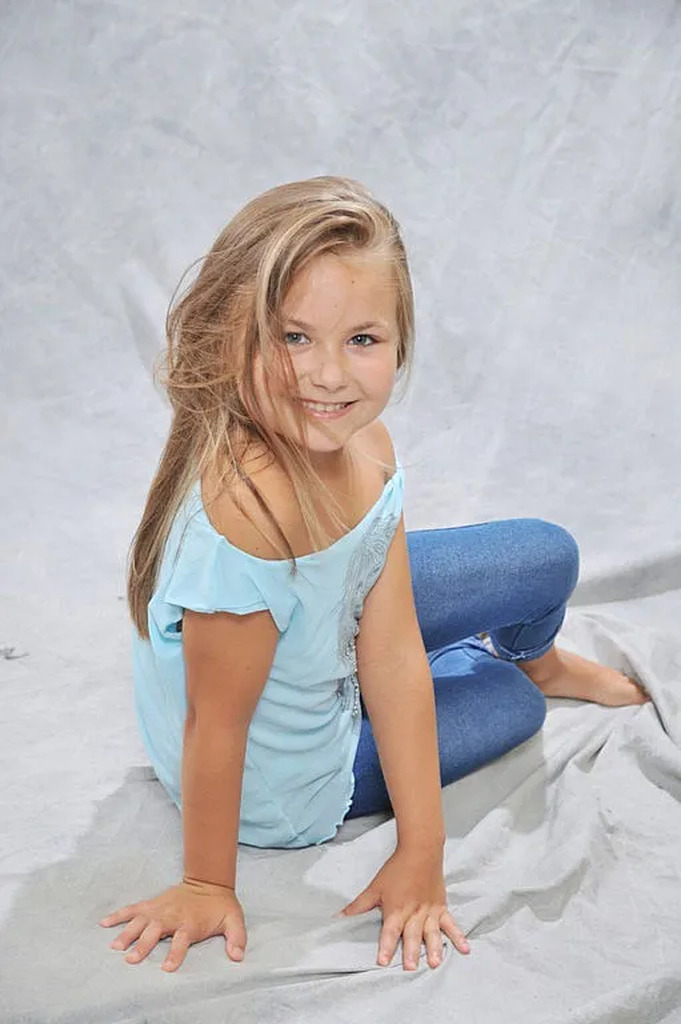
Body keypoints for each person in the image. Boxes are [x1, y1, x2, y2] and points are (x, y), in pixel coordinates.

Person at [100, 175, 649, 975]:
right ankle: (514, 674)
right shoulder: (253, 512)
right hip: (284, 774)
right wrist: (204, 883)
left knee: (547, 554)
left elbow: (387, 650)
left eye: (362, 340)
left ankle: (538, 651)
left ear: (398, 341)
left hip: (318, 627)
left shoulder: (367, 446)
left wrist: (422, 851)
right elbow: (214, 729)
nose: (328, 376)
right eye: (292, 338)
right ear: (234, 336)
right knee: (510, 703)